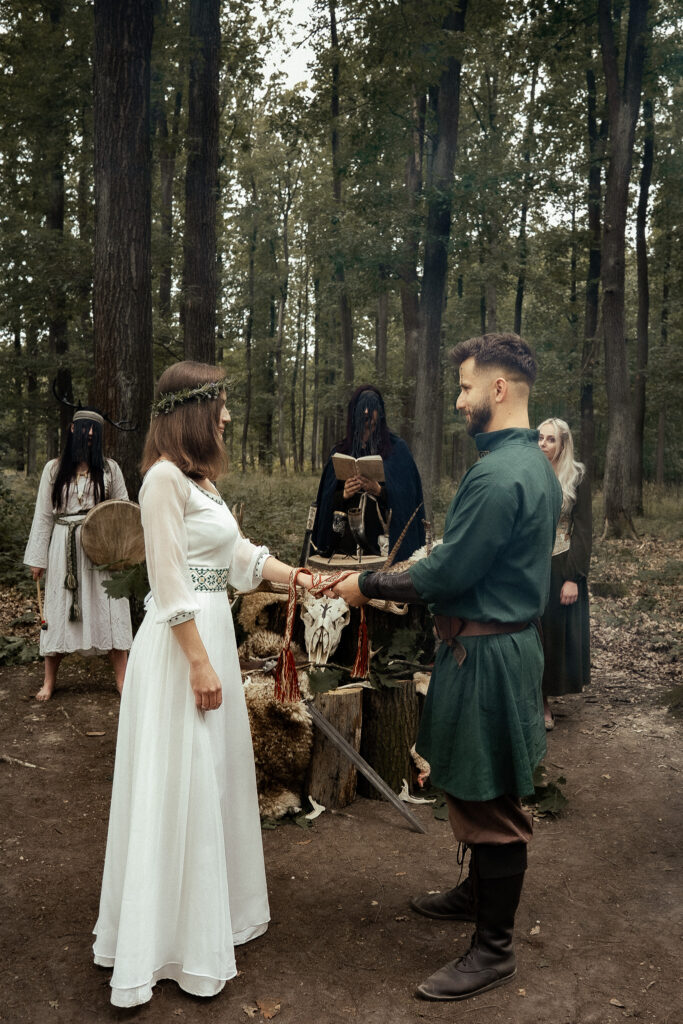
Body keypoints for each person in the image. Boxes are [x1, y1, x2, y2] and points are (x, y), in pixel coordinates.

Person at [333, 333, 562, 1002]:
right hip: (490, 646)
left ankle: (493, 950)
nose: (459, 401)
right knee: (473, 780)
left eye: (465, 387)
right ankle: (474, 894)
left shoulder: (500, 472)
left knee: (490, 800)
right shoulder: (523, 465)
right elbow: (465, 556)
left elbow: (451, 570)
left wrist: (368, 585)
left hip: (488, 654)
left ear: (498, 389)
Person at [93, 361, 313, 1008]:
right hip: (180, 647)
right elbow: (166, 581)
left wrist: (296, 576)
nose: (226, 417)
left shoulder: (203, 485)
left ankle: (206, 920)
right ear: (193, 412)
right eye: (219, 406)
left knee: (210, 780)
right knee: (177, 782)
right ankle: (162, 944)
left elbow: (240, 559)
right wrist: (197, 661)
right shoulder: (161, 481)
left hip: (212, 631)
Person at [24, 410, 132, 700]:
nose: (91, 435)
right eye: (86, 429)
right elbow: (44, 516)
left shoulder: (110, 469)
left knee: (109, 608)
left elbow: (123, 512)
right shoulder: (53, 469)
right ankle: (49, 681)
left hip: (101, 548)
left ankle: (122, 679)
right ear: (73, 430)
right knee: (59, 610)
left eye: (96, 432)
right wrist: (38, 558)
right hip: (63, 547)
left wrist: (123, 553)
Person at [311, 385, 425, 562]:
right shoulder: (341, 450)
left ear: (379, 413)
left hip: (381, 547)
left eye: (371, 407)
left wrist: (379, 491)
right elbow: (326, 501)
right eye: (362, 406)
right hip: (344, 546)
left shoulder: (396, 450)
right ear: (354, 412)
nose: (366, 411)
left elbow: (408, 499)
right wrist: (344, 493)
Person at [538, 418, 591, 730]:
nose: (543, 444)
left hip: (561, 564)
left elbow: (584, 529)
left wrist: (574, 576)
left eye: (551, 440)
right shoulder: (531, 470)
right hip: (530, 562)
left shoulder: (578, 475)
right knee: (530, 631)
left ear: (563, 444)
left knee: (553, 633)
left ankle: (545, 700)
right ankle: (530, 698)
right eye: (540, 438)